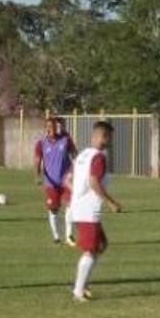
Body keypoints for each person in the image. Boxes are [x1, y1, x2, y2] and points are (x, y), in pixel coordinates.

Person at [69, 121, 124, 302]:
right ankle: (78, 290)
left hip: (79, 208)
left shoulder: (83, 154)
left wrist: (77, 195)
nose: (109, 141)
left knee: (101, 245)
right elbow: (94, 182)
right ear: (103, 136)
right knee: (92, 250)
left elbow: (67, 179)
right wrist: (110, 202)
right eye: (108, 136)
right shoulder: (99, 157)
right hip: (88, 211)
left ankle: (83, 284)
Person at [34, 116, 77, 244]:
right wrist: (37, 175)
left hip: (66, 181)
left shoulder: (66, 140)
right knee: (54, 209)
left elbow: (75, 154)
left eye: (55, 126)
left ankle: (69, 235)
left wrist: (77, 167)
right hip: (51, 182)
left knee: (70, 205)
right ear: (46, 128)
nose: (52, 128)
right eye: (50, 126)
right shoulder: (41, 143)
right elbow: (37, 159)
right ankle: (56, 237)